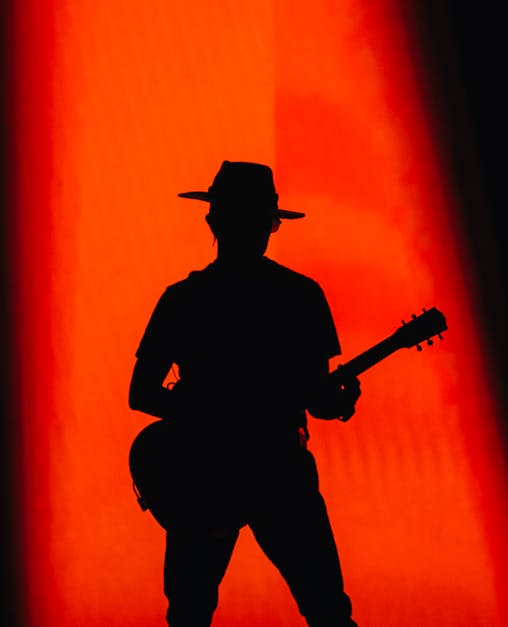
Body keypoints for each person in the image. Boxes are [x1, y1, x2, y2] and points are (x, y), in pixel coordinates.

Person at [129, 160, 361, 627]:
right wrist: (338, 402)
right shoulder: (300, 295)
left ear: (212, 218)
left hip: (213, 475)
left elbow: (143, 393)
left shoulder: (184, 298)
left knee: (192, 613)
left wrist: (200, 418)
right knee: (327, 611)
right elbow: (318, 399)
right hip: (266, 473)